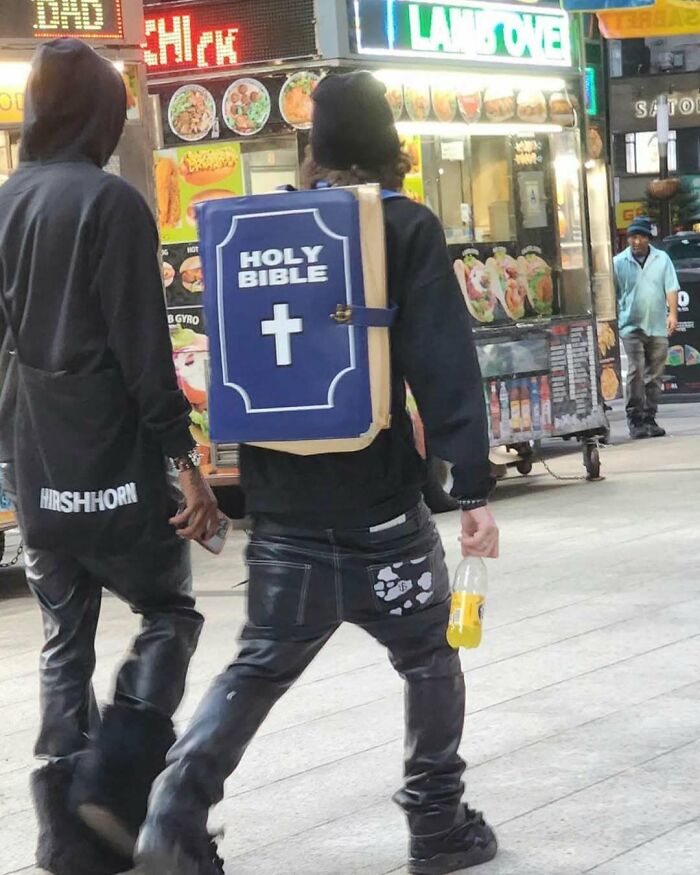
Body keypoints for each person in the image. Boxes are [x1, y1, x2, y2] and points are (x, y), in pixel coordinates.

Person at [136, 71, 499, 875]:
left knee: (259, 662)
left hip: (283, 508)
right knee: (431, 655)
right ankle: (437, 823)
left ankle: (171, 816)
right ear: (387, 141)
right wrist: (470, 486)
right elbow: (443, 362)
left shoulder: (256, 225)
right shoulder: (401, 225)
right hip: (381, 510)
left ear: (315, 146)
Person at [0, 39, 219, 875]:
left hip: (35, 459)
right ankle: (119, 766)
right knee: (169, 612)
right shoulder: (115, 205)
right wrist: (188, 466)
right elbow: (143, 353)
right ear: (102, 112)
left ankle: (62, 825)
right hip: (114, 463)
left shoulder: (5, 201)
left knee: (64, 635)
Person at [613, 216, 679, 439]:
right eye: (633, 236)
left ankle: (650, 416)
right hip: (630, 325)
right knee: (636, 370)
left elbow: (671, 287)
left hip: (657, 324)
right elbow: (611, 292)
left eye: (640, 236)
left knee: (655, 373)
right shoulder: (619, 262)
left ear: (648, 239)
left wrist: (673, 314)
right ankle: (635, 417)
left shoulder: (662, 259)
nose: (636, 241)